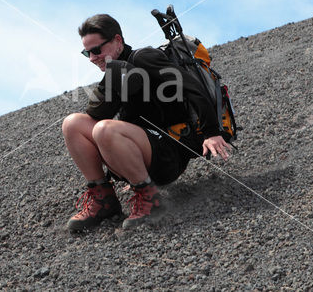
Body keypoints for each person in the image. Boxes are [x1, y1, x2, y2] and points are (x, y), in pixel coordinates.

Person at [62, 14, 231, 231]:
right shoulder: (114, 74)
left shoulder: (145, 58)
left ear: (117, 41)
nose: (92, 58)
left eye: (97, 50)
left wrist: (211, 132)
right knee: (72, 124)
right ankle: (104, 200)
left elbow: (192, 88)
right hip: (143, 151)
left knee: (105, 129)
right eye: (87, 52)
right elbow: (93, 117)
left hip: (170, 153)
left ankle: (149, 199)